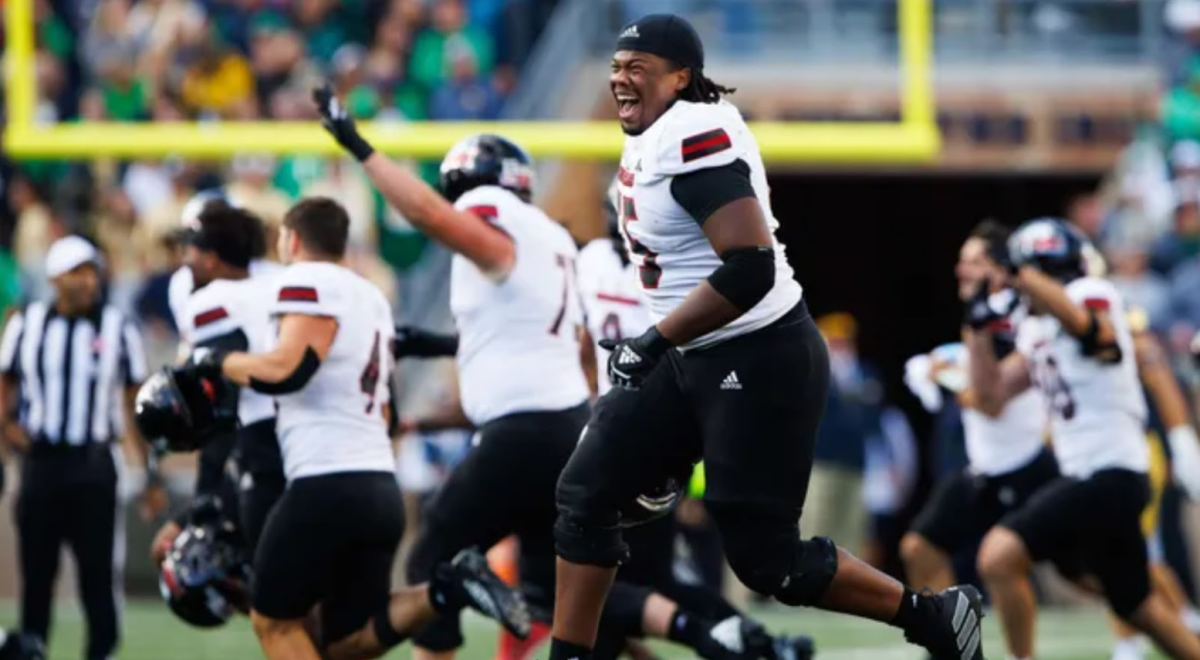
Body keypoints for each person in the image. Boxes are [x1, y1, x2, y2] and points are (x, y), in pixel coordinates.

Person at [547, 13, 984, 660]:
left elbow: (749, 267)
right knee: (584, 496)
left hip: (757, 351)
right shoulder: (655, 130)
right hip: (692, 352)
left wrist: (655, 338)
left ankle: (932, 614)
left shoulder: (690, 132)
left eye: (636, 68)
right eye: (614, 68)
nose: (619, 80)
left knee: (767, 560)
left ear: (680, 77)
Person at [313, 94, 812, 658]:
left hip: (525, 434)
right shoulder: (552, 239)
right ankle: (706, 637)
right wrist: (427, 374)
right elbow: (529, 341)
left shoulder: (491, 215)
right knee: (562, 594)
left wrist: (359, 148)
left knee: (435, 563)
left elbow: (432, 216)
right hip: (570, 426)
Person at [177, 197, 530, 660]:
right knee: (347, 641)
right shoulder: (370, 297)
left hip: (323, 482)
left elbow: (288, 369)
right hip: (380, 487)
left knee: (273, 619)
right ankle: (447, 589)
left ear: (294, 238)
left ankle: (452, 585)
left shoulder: (307, 280)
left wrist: (217, 360)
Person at [967, 217, 1200, 660]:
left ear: (1037, 267)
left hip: (1110, 469)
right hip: (1091, 474)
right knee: (1137, 603)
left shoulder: (1091, 294)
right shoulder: (1038, 329)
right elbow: (991, 396)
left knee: (998, 557)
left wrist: (1022, 274)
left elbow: (1091, 331)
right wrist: (976, 329)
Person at [0, 235, 165, 660]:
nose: (87, 281)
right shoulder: (26, 324)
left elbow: (135, 406)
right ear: (55, 277)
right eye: (77, 272)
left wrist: (149, 471)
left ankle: (101, 653)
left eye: (92, 271)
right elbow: (4, 386)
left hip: (93, 464)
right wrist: (6, 432)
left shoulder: (118, 327)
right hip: (41, 462)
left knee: (98, 575)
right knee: (37, 576)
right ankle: (30, 652)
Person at [900, 221, 1057, 594]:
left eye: (974, 261)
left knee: (1095, 570)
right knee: (921, 548)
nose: (962, 269)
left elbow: (990, 401)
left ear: (1001, 271)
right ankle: (952, 644)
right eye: (962, 260)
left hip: (1031, 459)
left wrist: (948, 376)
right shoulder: (985, 315)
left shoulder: (1010, 318)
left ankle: (1172, 622)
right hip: (990, 465)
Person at [148, 201, 286, 565]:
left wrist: (204, 495)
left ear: (210, 258)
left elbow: (223, 401)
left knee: (272, 593)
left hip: (265, 445)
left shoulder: (212, 301)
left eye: (190, 250)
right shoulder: (279, 281)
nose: (184, 259)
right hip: (310, 440)